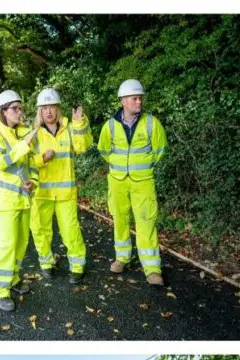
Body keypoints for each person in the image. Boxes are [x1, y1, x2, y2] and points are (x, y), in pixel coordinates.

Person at [97, 79, 168, 286]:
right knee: (120, 220)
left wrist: (142, 165)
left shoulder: (151, 123)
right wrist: (119, 165)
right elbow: (103, 150)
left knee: (146, 222)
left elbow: (160, 149)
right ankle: (122, 258)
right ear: (123, 101)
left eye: (140, 98)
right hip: (117, 181)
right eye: (135, 98)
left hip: (143, 182)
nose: (139, 102)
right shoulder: (109, 126)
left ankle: (152, 269)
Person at [29, 88, 92, 284]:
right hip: (41, 193)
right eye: (45, 107)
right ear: (40, 111)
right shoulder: (34, 134)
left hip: (66, 194)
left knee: (71, 231)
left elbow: (82, 148)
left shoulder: (70, 128)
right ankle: (47, 263)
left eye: (52, 107)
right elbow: (25, 161)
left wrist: (80, 123)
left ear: (58, 109)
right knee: (40, 231)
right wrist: (41, 159)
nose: (48, 111)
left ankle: (77, 267)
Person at [0, 90, 40, 312]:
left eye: (20, 108)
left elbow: (32, 164)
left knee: (20, 244)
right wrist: (24, 145)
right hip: (5, 202)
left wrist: (33, 181)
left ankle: (13, 278)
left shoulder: (21, 135)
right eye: (15, 108)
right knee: (6, 246)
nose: (20, 112)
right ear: (3, 112)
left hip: (23, 198)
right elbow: (1, 162)